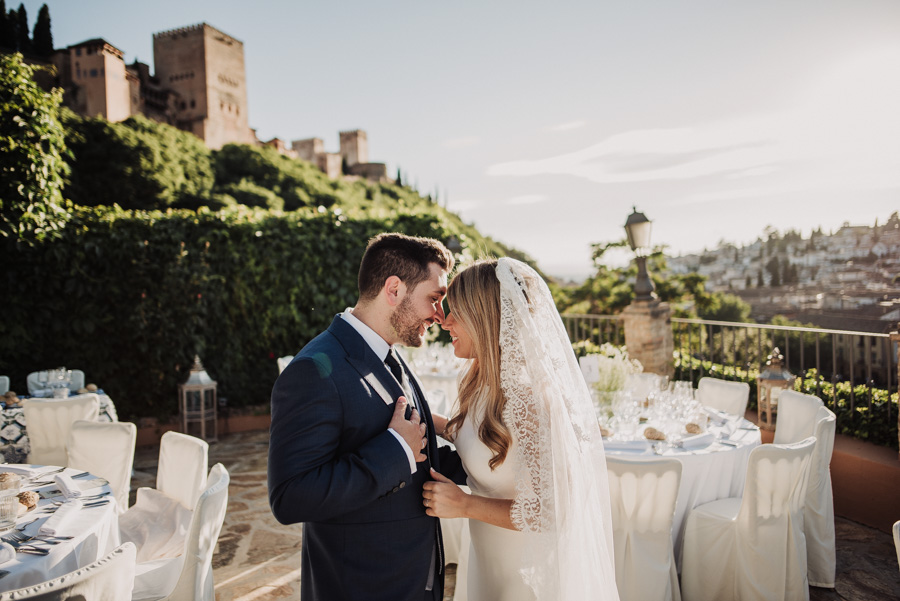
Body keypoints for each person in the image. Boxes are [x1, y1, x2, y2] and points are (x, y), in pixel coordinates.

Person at [268, 233, 467, 601]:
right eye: (434, 298)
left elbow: (420, 454)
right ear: (394, 289)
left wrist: (486, 460)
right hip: (361, 584)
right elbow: (290, 497)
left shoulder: (387, 351)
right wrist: (393, 450)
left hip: (409, 576)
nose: (439, 315)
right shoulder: (313, 370)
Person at [424, 258, 620, 601]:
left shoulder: (531, 398)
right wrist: (431, 422)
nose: (446, 321)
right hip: (488, 556)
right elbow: (483, 441)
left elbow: (550, 511)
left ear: (486, 319)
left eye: (458, 312)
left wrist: (464, 504)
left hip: (526, 570)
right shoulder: (474, 379)